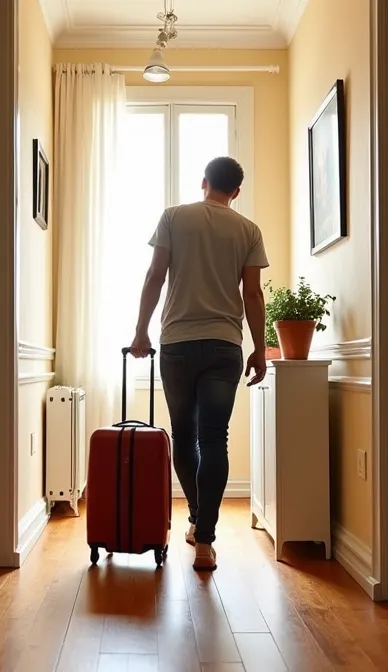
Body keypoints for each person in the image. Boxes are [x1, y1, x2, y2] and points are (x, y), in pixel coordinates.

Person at [128, 156, 269, 571]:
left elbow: (155, 275)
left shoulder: (173, 217)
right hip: (225, 347)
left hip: (178, 346)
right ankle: (205, 540)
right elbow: (254, 294)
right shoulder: (248, 230)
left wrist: (140, 331)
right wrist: (260, 349)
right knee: (214, 440)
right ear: (236, 192)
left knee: (184, 437)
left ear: (203, 182)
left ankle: (195, 516)